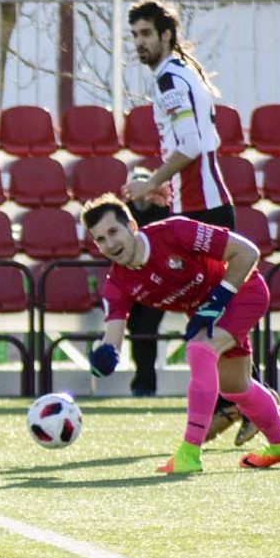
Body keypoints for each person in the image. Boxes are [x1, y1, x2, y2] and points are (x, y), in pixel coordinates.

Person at [82, 193, 280, 474]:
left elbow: (248, 253)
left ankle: (189, 454)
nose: (110, 244)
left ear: (132, 226)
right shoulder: (116, 284)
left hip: (242, 292)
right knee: (235, 387)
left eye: (114, 232)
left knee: (200, 349)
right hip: (208, 314)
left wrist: (217, 301)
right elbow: (112, 338)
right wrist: (103, 357)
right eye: (100, 239)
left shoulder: (175, 231)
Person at [121, 0, 260, 445]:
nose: (139, 42)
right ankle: (239, 403)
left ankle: (244, 402)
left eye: (146, 33)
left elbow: (192, 145)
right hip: (198, 201)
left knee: (210, 314)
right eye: (135, 35)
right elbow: (197, 142)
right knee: (212, 312)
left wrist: (151, 182)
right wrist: (167, 187)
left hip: (203, 207)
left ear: (166, 35)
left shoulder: (169, 80)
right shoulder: (182, 73)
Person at [122, 169, 170, 397]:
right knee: (135, 329)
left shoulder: (163, 212)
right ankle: (143, 380)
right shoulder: (123, 214)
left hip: (158, 283)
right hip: (131, 281)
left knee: (146, 329)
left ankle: (145, 383)